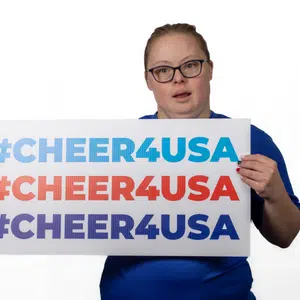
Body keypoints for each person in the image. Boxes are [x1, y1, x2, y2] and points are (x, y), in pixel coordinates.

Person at [99, 23, 300, 300]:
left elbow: (285, 236)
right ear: (149, 81)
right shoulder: (117, 146)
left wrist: (275, 194)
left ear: (210, 69)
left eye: (190, 66)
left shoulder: (248, 141)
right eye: (163, 70)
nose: (178, 79)